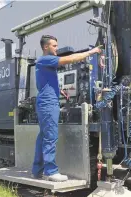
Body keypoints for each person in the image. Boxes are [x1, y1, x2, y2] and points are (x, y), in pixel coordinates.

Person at [32, 35, 102, 182]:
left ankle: (37, 170)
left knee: (43, 137)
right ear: (46, 47)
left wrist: (59, 90)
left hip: (46, 101)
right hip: (48, 103)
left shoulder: (43, 63)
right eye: (54, 46)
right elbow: (70, 59)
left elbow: (46, 81)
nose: (56, 48)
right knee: (50, 137)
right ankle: (50, 171)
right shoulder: (46, 59)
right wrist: (91, 52)